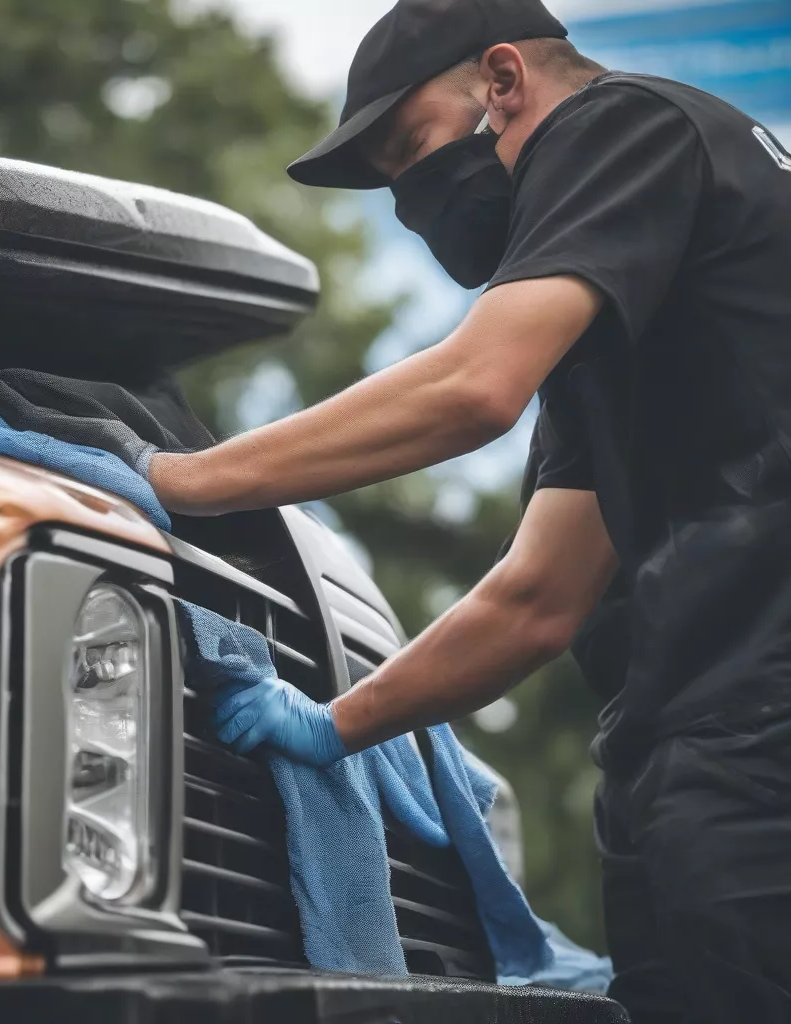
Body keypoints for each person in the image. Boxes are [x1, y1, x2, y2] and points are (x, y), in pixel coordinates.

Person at [99, 0, 791, 1019]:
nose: (411, 198)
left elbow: (471, 387)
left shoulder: (622, 125)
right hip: (680, 743)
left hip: (759, 732)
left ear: (503, 82)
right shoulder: (608, 334)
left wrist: (173, 479)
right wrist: (335, 724)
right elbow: (538, 598)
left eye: (409, 149)